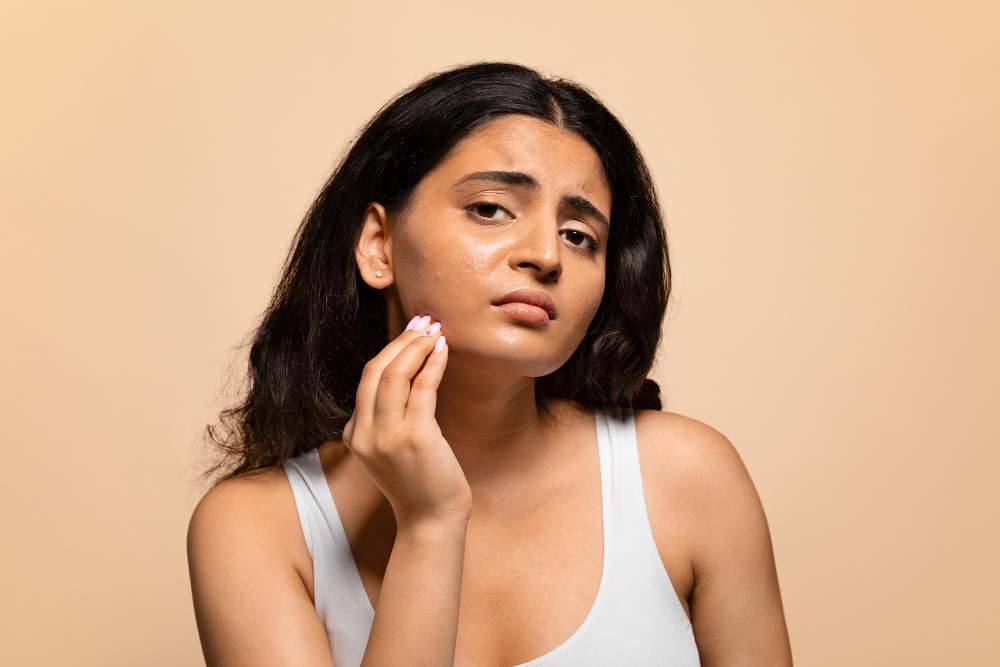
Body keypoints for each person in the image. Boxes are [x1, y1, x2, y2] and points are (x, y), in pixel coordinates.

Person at [186, 61, 793, 666]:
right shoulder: (257, 528)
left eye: (579, 235)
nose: (546, 255)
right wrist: (430, 525)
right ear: (379, 246)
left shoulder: (688, 478)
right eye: (490, 209)